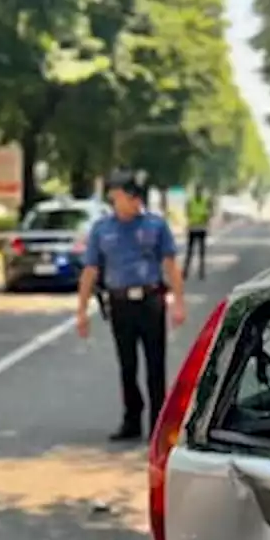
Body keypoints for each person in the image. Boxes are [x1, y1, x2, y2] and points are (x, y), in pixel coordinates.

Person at [77, 169, 186, 440]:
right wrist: (81, 311)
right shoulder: (102, 229)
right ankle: (131, 419)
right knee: (127, 366)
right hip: (120, 304)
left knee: (155, 365)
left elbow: (170, 265)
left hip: (151, 302)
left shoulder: (155, 225)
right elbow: (90, 270)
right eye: (131, 197)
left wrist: (179, 302)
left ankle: (158, 426)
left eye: (139, 198)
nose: (137, 203)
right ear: (117, 197)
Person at [183, 185, 212, 281]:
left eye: (200, 191)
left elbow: (209, 213)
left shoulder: (205, 201)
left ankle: (201, 272)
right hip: (193, 228)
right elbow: (187, 212)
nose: (198, 192)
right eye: (197, 191)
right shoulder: (190, 201)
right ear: (195, 192)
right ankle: (186, 272)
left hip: (201, 228)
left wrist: (206, 220)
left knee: (201, 252)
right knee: (190, 251)